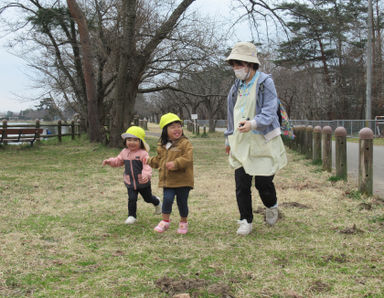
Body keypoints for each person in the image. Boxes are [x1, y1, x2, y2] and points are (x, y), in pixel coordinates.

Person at [224, 41, 287, 235]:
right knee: (241, 183)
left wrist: (253, 123)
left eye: (239, 64)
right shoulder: (236, 86)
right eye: (234, 64)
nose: (236, 68)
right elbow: (230, 113)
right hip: (241, 141)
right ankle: (246, 220)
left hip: (262, 140)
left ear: (250, 64)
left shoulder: (264, 82)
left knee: (263, 183)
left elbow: (269, 111)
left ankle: (271, 206)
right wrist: (228, 138)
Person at [102, 126, 161, 225]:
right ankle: (132, 216)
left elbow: (147, 165)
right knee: (132, 199)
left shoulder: (143, 153)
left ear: (141, 142)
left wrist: (146, 174)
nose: (131, 142)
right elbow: (118, 161)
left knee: (148, 198)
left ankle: (157, 202)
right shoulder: (124, 152)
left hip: (142, 182)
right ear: (125, 141)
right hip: (130, 182)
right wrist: (109, 161)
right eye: (129, 140)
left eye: (135, 140)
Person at [147, 113, 194, 234]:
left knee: (182, 202)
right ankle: (165, 221)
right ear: (165, 130)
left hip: (183, 180)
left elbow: (188, 158)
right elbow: (159, 159)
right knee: (167, 199)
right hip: (168, 180)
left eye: (178, 126)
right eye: (172, 127)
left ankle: (183, 222)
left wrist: (176, 163)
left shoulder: (185, 143)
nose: (177, 129)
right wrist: (148, 161)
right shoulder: (162, 145)